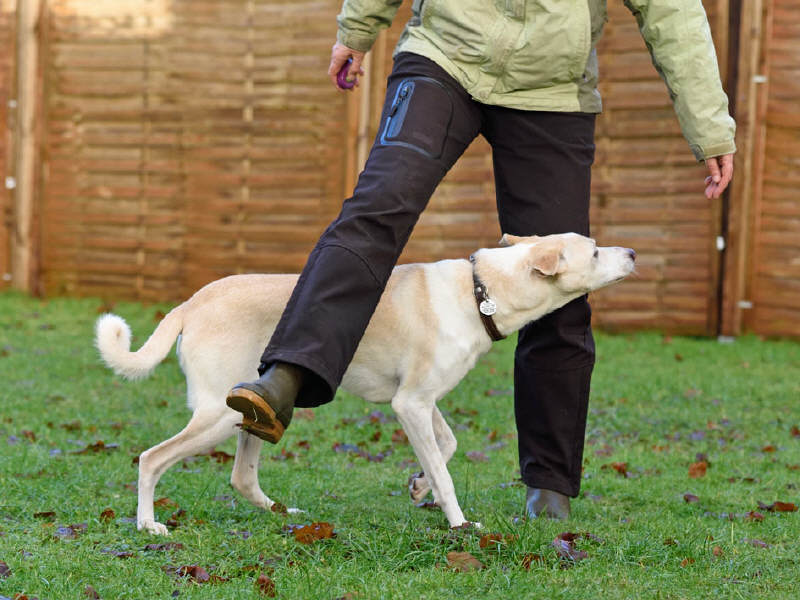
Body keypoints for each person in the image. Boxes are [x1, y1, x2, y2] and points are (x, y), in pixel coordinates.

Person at [226, 0, 735, 520]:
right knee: (376, 210)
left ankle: (549, 487)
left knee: (565, 284)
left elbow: (672, 10)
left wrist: (709, 124)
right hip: (445, 51)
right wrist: (356, 28)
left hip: (552, 89)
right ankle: (286, 375)